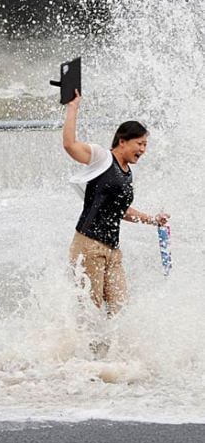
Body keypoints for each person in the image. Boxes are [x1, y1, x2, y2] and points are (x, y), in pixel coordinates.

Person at [63, 91, 168, 316]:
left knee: (119, 310)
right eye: (140, 143)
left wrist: (152, 220)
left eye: (146, 145)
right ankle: (81, 351)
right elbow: (70, 145)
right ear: (122, 141)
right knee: (91, 313)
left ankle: (113, 353)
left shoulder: (128, 173)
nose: (143, 149)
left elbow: (121, 211)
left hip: (112, 251)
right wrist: (73, 107)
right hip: (89, 246)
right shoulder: (103, 157)